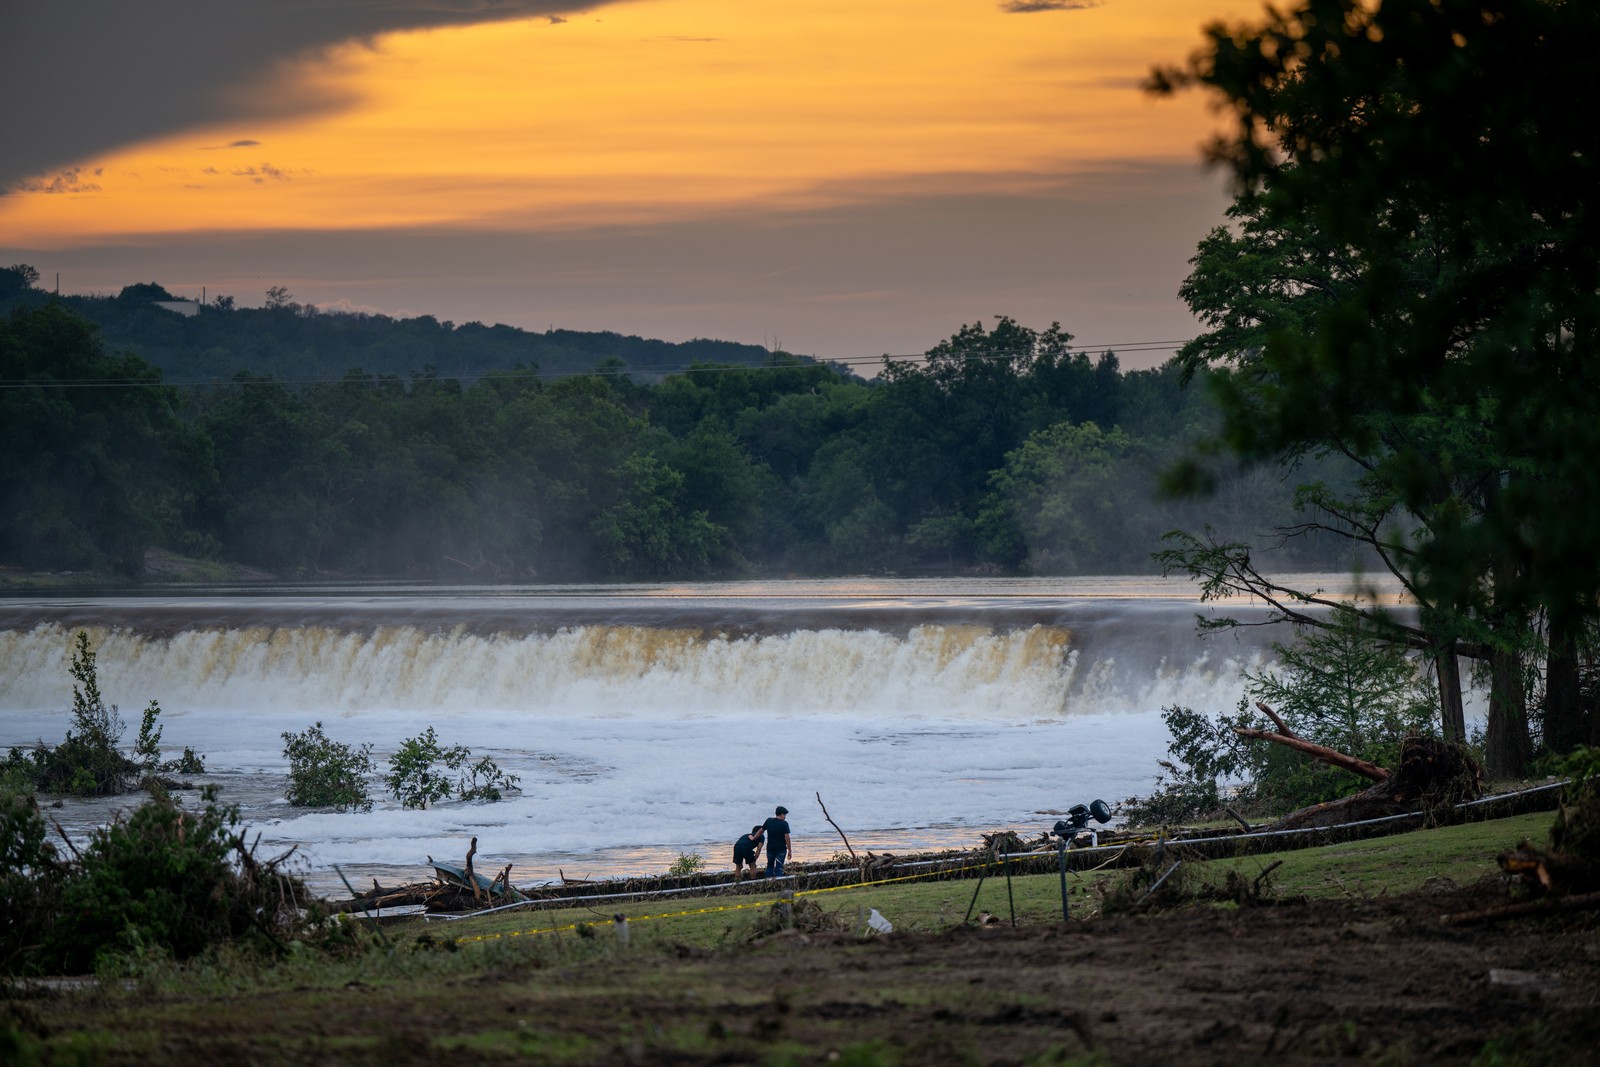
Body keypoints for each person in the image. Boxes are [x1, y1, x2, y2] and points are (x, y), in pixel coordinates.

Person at [762, 805, 792, 877]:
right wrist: (790, 851)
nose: (785, 817)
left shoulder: (769, 821)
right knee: (779, 868)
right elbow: (787, 838)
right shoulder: (784, 824)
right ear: (781, 814)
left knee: (770, 866)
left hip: (770, 849)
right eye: (784, 815)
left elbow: (761, 830)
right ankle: (779, 883)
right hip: (781, 849)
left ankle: (768, 882)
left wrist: (754, 837)